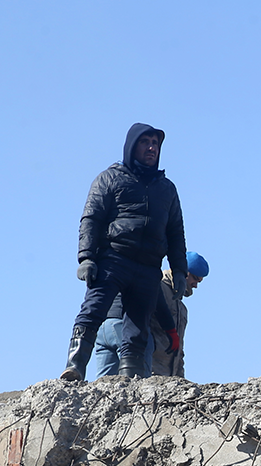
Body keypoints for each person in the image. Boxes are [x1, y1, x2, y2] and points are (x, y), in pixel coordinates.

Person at [61, 123, 188, 381]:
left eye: (155, 143)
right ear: (132, 146)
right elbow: (91, 218)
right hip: (113, 259)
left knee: (138, 329)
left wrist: (180, 271)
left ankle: (129, 379)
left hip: (149, 267)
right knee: (93, 309)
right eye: (145, 142)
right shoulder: (110, 178)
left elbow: (176, 232)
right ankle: (74, 367)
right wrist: (86, 257)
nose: (152, 147)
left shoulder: (167, 189)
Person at [151, 251, 209, 377]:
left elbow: (179, 349)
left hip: (169, 376)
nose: (196, 285)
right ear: (183, 271)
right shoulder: (157, 288)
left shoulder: (182, 309)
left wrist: (179, 379)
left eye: (199, 281)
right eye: (195, 278)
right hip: (151, 370)